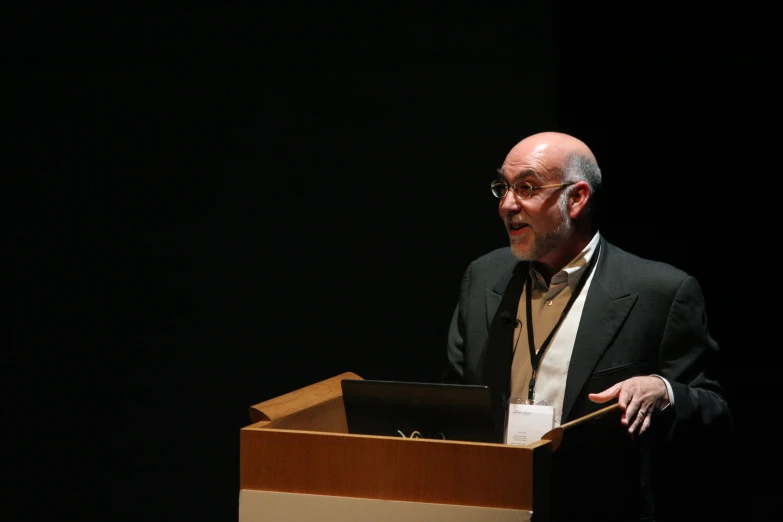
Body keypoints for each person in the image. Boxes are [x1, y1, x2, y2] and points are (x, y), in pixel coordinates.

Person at [442, 131, 733, 522]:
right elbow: (452, 397)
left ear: (576, 199)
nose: (508, 205)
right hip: (491, 504)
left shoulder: (659, 291)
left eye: (527, 187)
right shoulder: (483, 277)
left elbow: (714, 411)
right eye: (504, 187)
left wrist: (662, 391)